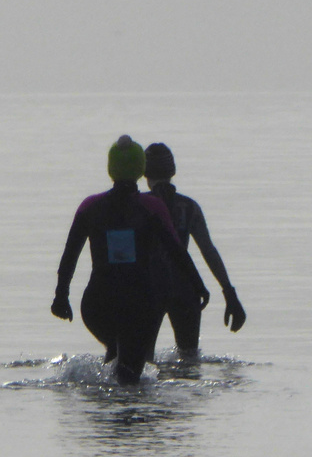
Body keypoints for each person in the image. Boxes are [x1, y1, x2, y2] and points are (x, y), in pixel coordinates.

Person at [51, 136, 208, 384]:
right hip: (140, 303)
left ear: (111, 168)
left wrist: (61, 296)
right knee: (130, 378)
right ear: (139, 169)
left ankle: (106, 409)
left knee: (115, 353)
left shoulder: (89, 206)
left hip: (97, 305)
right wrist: (199, 286)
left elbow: (70, 255)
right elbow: (176, 252)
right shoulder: (152, 207)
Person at [142, 142, 245, 356]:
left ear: (144, 173)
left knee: (141, 359)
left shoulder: (140, 205)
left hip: (150, 288)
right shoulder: (189, 207)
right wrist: (229, 292)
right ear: (173, 172)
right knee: (189, 359)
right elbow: (209, 251)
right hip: (185, 287)